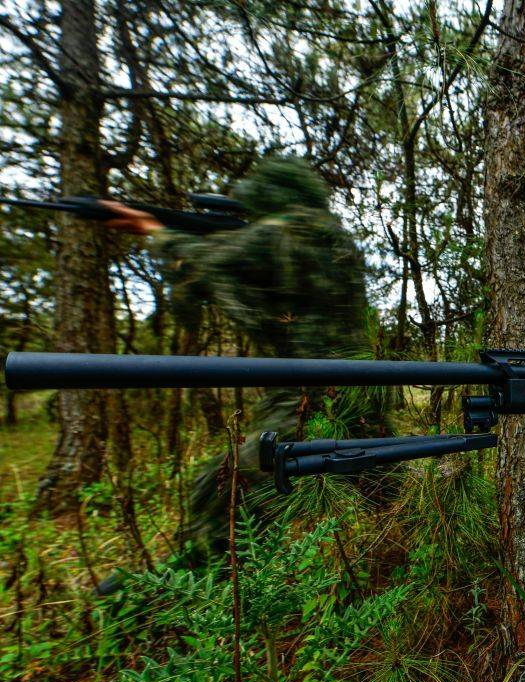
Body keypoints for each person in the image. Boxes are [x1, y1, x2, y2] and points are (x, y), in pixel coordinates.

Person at [96, 158, 392, 593]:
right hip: (356, 384)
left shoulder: (289, 229)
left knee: (230, 482)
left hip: (310, 390)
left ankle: (193, 587)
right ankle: (419, 545)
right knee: (383, 475)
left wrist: (153, 230)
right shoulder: (330, 234)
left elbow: (214, 260)